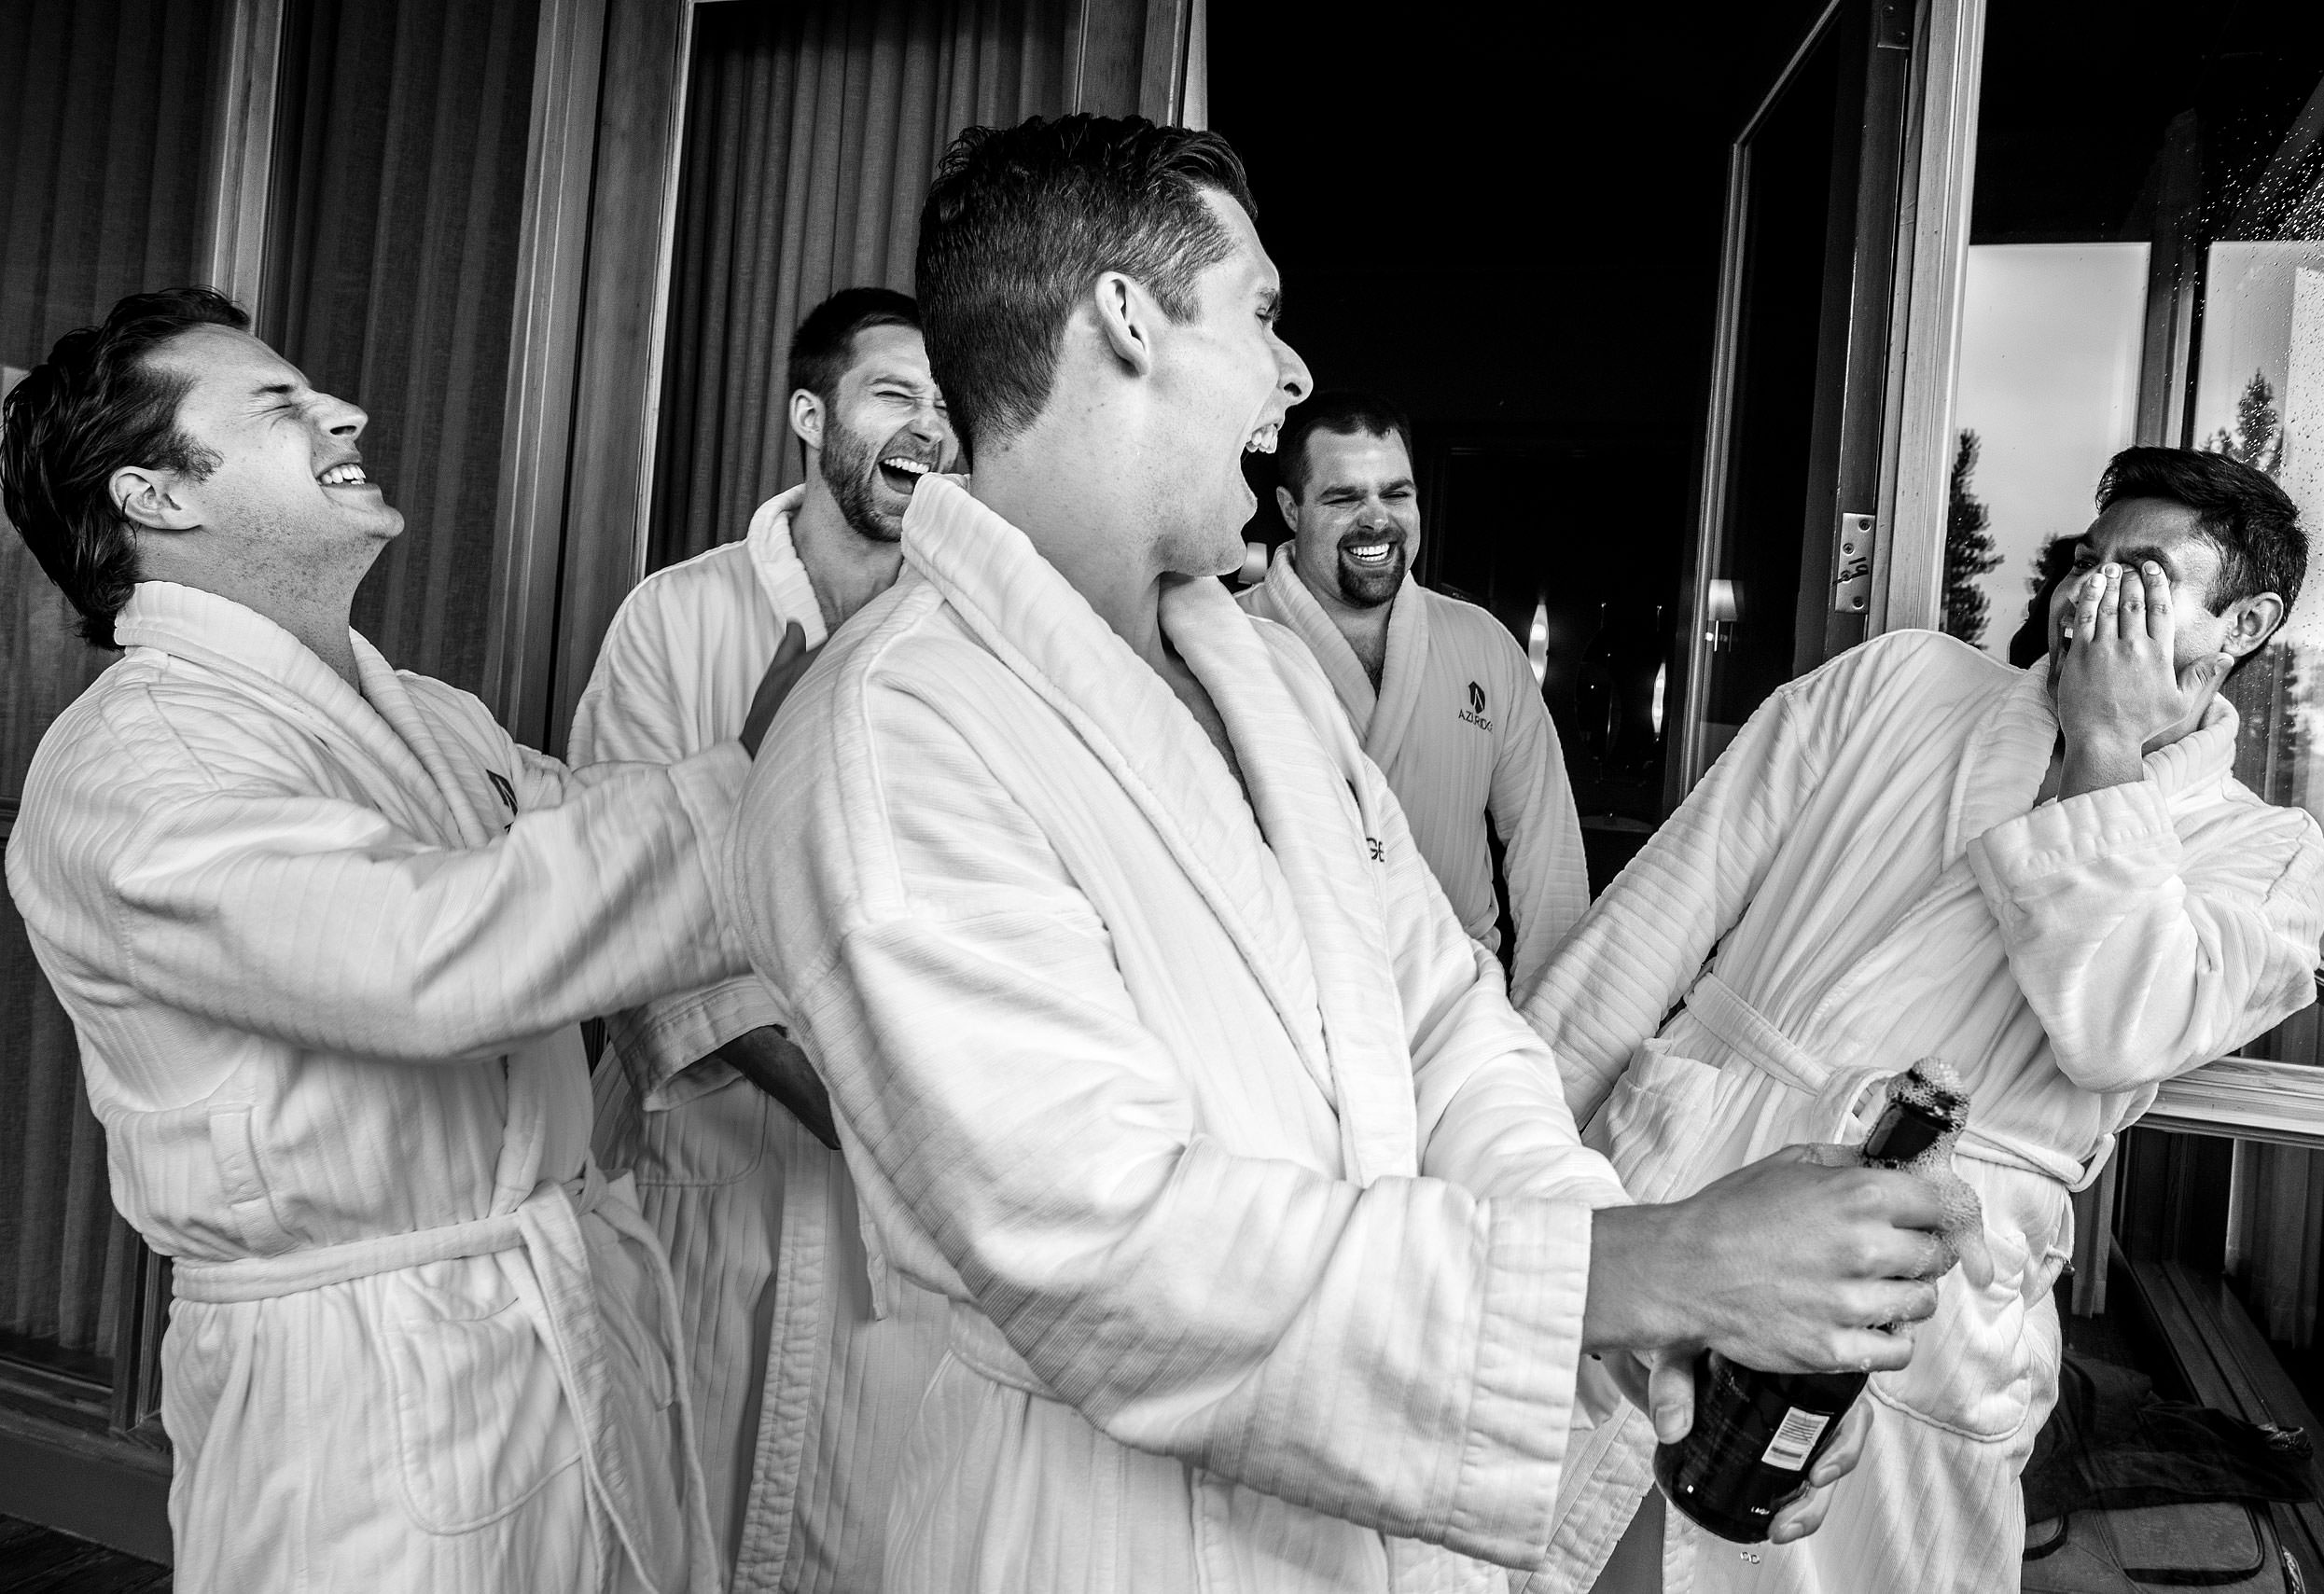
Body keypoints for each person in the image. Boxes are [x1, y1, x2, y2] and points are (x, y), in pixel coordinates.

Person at [728, 114, 1957, 1593]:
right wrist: (1643, 1268)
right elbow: (1110, 1245)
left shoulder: (1262, 678)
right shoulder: (895, 733)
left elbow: (1443, 1016)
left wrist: (1633, 1296)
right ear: (1125, 317)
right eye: (1262, 312)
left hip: (1368, 1520)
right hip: (1083, 1537)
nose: (1292, 374)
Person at [1, 288, 804, 1594]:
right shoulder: (130, 765)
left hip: (559, 1313)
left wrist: (792, 775)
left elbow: (605, 848)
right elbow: (434, 958)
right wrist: (761, 773)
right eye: (279, 406)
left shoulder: (426, 714)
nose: (347, 412)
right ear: (154, 497)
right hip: (357, 1382)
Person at [1522, 447, 2324, 1594]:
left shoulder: (2269, 852)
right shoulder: (1897, 681)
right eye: (2086, 563)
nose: (2089, 599)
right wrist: (1497, 1176)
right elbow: (1648, 926)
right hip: (1686, 1176)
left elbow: (2117, 1022)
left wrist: (2105, 745)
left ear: (2242, 622)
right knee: (1537, 1540)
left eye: (2141, 578)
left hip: (1927, 1291)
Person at [569, 285, 959, 1588]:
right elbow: (627, 900)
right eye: (896, 393)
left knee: (866, 1538)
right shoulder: (674, 619)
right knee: (665, 1526)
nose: (931, 426)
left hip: (898, 1210)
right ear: (811, 415)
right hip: (709, 1155)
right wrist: (849, 1105)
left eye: (950, 403)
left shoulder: (977, 637)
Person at [1238, 393, 1588, 987]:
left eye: (1396, 494)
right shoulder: (1231, 644)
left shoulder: (1483, 644)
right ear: (1290, 508)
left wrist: (1549, 1018)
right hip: (1292, 1001)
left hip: (1461, 1000)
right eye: (1343, 497)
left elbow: (1544, 843)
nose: (1376, 519)